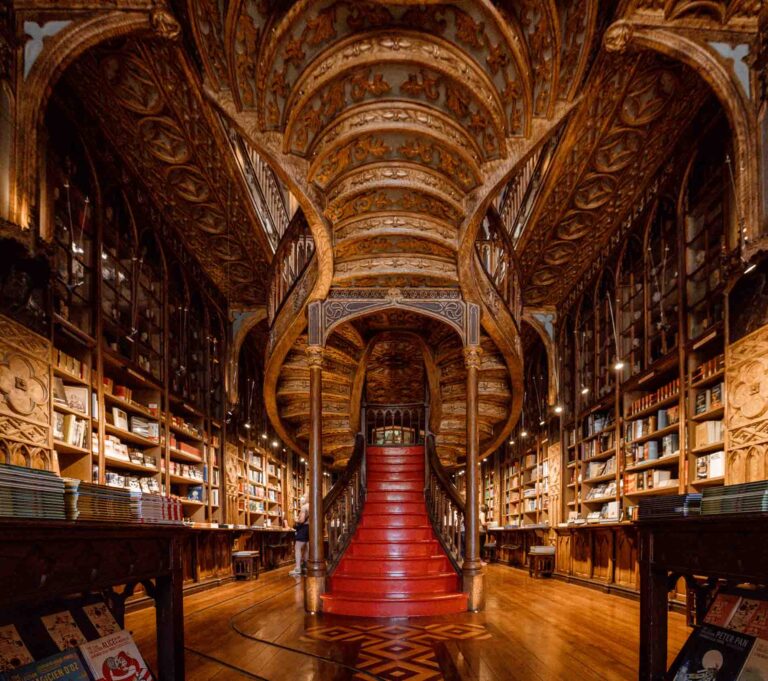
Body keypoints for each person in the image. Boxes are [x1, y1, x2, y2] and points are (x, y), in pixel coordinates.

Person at [289, 495, 309, 577]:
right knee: (308, 548)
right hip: (312, 528)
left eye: (304, 496)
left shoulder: (304, 507)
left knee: (297, 547)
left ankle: (298, 568)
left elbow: (302, 520)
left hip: (304, 528)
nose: (302, 498)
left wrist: (296, 519)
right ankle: (306, 566)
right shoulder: (315, 506)